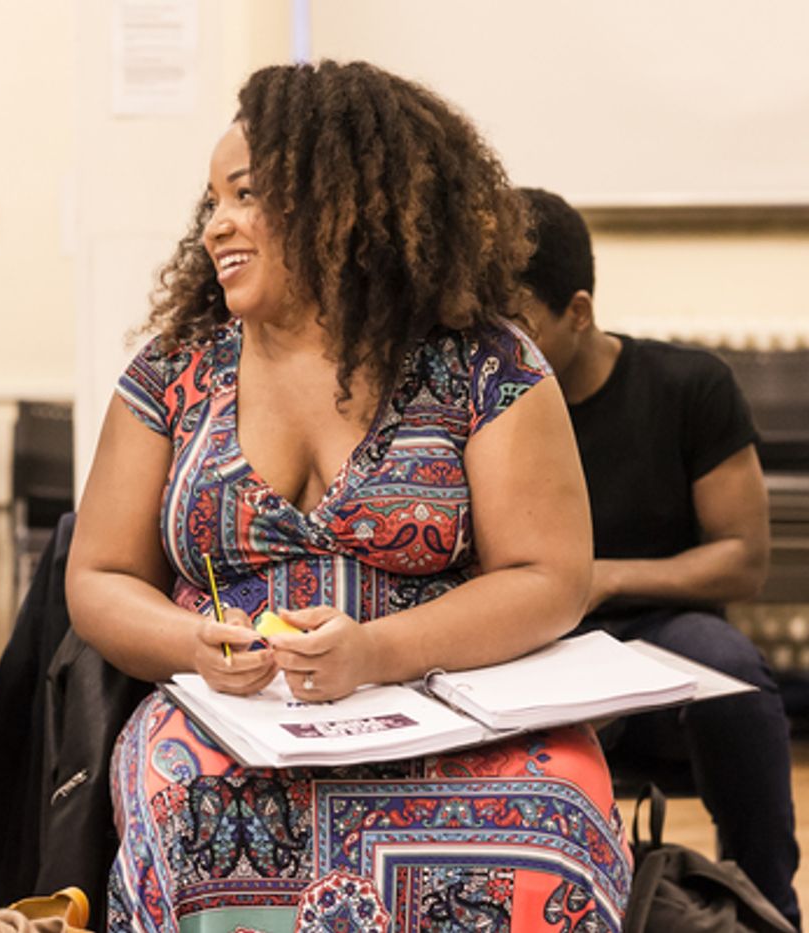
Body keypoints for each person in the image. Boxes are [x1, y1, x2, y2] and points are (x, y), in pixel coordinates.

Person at [67, 60, 630, 932]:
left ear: (344, 202)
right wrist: (193, 644)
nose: (219, 225)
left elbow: (549, 575)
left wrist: (374, 651)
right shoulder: (173, 371)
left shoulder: (486, 365)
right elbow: (97, 575)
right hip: (237, 721)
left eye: (246, 195)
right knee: (181, 797)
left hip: (457, 706)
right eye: (211, 201)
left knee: (554, 817)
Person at [517, 187, 800, 929]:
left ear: (578, 311)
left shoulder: (688, 384)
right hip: (539, 641)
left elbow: (742, 560)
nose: (502, 347)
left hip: (666, 634)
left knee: (731, 674)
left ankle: (766, 904)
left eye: (520, 325)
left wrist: (602, 578)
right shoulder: (494, 402)